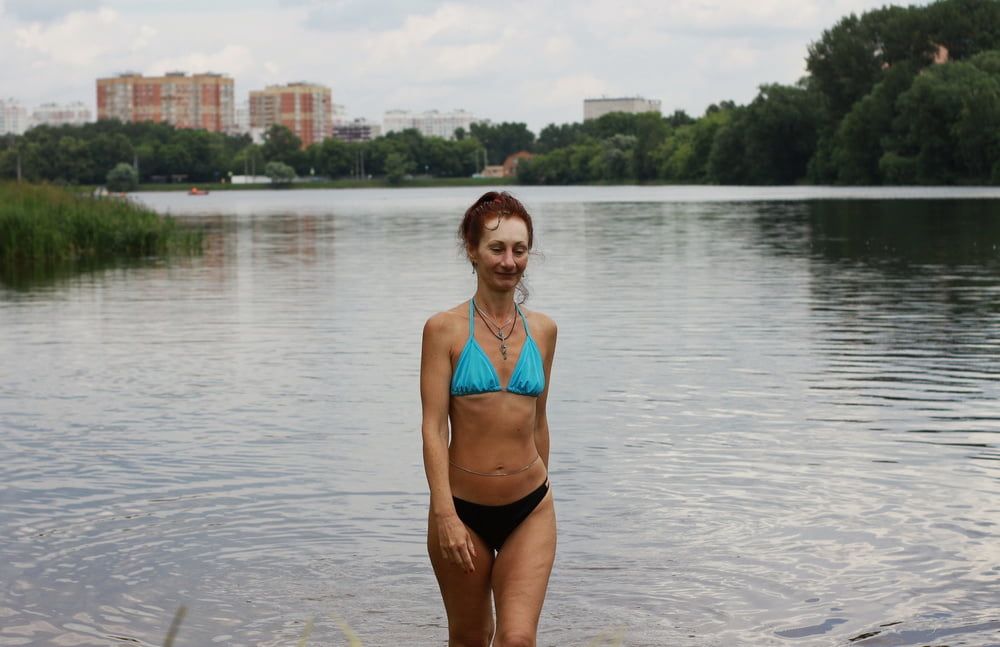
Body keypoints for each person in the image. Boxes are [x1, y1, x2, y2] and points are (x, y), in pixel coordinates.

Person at [421, 191, 558, 647]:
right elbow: (433, 428)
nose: (509, 261)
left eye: (519, 249)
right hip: (462, 511)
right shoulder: (443, 329)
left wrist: (545, 486)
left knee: (518, 639)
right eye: (497, 248)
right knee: (469, 637)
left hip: (530, 507)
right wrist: (443, 512)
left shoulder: (544, 330)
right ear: (472, 251)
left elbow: (539, 421)